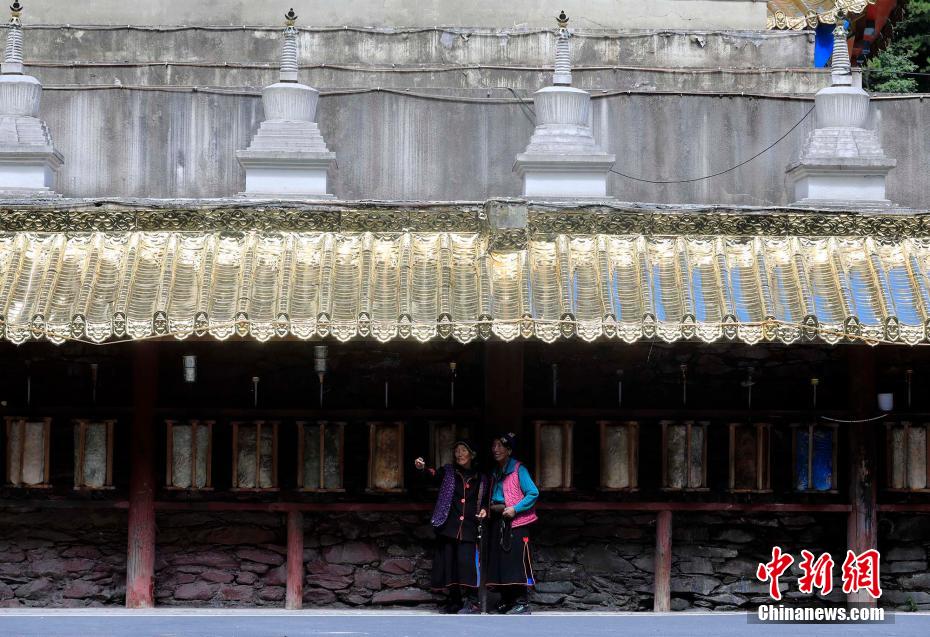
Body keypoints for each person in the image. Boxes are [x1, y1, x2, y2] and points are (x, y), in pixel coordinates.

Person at [414, 440, 488, 614]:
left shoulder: (481, 478)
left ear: (472, 454)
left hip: (469, 528)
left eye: (463, 450)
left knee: (468, 565)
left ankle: (473, 602)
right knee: (450, 565)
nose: (459, 454)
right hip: (449, 527)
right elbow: (432, 475)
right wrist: (422, 469)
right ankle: (454, 601)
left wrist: (484, 509)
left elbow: (485, 499)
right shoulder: (448, 472)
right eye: (457, 451)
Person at [486, 432, 539, 614]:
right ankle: (507, 600)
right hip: (498, 521)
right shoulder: (495, 471)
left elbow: (533, 493)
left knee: (515, 562)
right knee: (502, 562)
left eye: (500, 446)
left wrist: (515, 508)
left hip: (516, 523)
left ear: (509, 450)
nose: (496, 449)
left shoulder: (518, 469)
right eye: (494, 446)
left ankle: (521, 602)